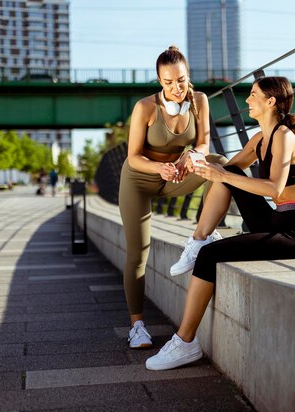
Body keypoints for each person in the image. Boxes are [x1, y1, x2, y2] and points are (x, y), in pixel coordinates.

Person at [145, 76, 295, 371]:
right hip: (273, 219)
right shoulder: (260, 138)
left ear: (271, 101)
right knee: (229, 169)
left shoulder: (284, 136)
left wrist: (221, 175)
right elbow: (225, 171)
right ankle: (198, 239)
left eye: (253, 95)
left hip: (294, 230)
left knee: (212, 254)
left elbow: (274, 188)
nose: (247, 101)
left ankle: (185, 343)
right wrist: (195, 162)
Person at [119, 45, 226, 349]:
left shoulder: (199, 101)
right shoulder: (145, 108)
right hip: (140, 180)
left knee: (218, 165)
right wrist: (159, 167)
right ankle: (137, 326)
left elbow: (204, 142)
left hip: (177, 177)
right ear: (159, 82)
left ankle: (200, 237)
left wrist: (192, 155)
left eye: (181, 80)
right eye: (168, 83)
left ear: (187, 75)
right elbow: (133, 157)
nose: (176, 88)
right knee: (138, 252)